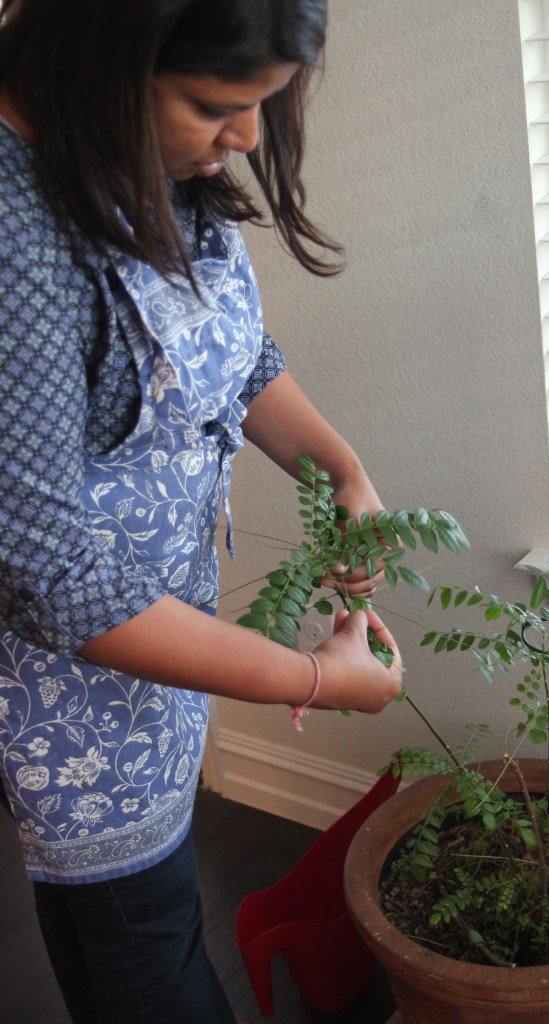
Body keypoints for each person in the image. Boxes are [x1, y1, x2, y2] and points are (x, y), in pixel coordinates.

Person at [0, 1, 403, 1021]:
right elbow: (55, 580)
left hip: (165, 644)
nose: (248, 140)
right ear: (102, 55)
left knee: (129, 926)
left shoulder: (136, 152)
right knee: (146, 955)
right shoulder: (17, 243)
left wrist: (340, 468)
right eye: (219, 105)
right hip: (72, 701)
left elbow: (226, 354)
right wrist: (314, 677)